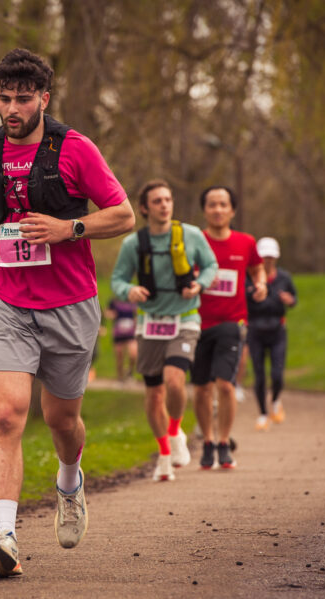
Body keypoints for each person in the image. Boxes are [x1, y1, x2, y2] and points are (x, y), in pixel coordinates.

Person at [0, 48, 135, 578]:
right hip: (5, 299)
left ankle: (69, 482)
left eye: (23, 99)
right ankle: (4, 537)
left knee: (62, 420)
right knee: (6, 414)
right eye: (4, 98)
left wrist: (67, 228)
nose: (12, 109)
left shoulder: (75, 150)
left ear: (44, 98)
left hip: (70, 304)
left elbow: (123, 214)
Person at [111, 180, 218, 482]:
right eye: (157, 201)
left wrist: (200, 284)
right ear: (144, 208)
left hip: (184, 319)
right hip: (150, 322)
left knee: (174, 380)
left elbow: (211, 266)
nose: (164, 205)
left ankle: (175, 432)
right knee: (154, 392)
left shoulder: (191, 235)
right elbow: (118, 280)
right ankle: (164, 454)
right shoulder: (133, 244)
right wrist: (129, 291)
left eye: (168, 199)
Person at [192, 186, 266, 469]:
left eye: (223, 204)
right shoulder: (195, 241)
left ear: (232, 210)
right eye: (212, 205)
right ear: (205, 210)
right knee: (201, 389)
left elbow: (257, 267)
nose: (218, 210)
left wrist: (259, 285)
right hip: (197, 322)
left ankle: (224, 442)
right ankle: (207, 442)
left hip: (232, 322)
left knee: (225, 385)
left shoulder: (246, 242)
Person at [246, 237, 297, 431]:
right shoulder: (248, 277)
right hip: (255, 330)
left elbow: (294, 299)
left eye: (271, 257)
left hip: (277, 331)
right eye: (264, 257)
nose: (267, 261)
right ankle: (262, 414)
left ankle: (275, 400)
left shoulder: (284, 278)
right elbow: (241, 298)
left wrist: (289, 300)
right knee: (259, 375)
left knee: (277, 373)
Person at [104, 297, 138, 382]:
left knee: (133, 353)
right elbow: (107, 312)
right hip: (118, 331)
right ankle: (120, 376)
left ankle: (130, 373)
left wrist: (137, 319)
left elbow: (138, 313)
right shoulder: (114, 300)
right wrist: (111, 314)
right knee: (119, 355)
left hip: (131, 332)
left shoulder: (133, 299)